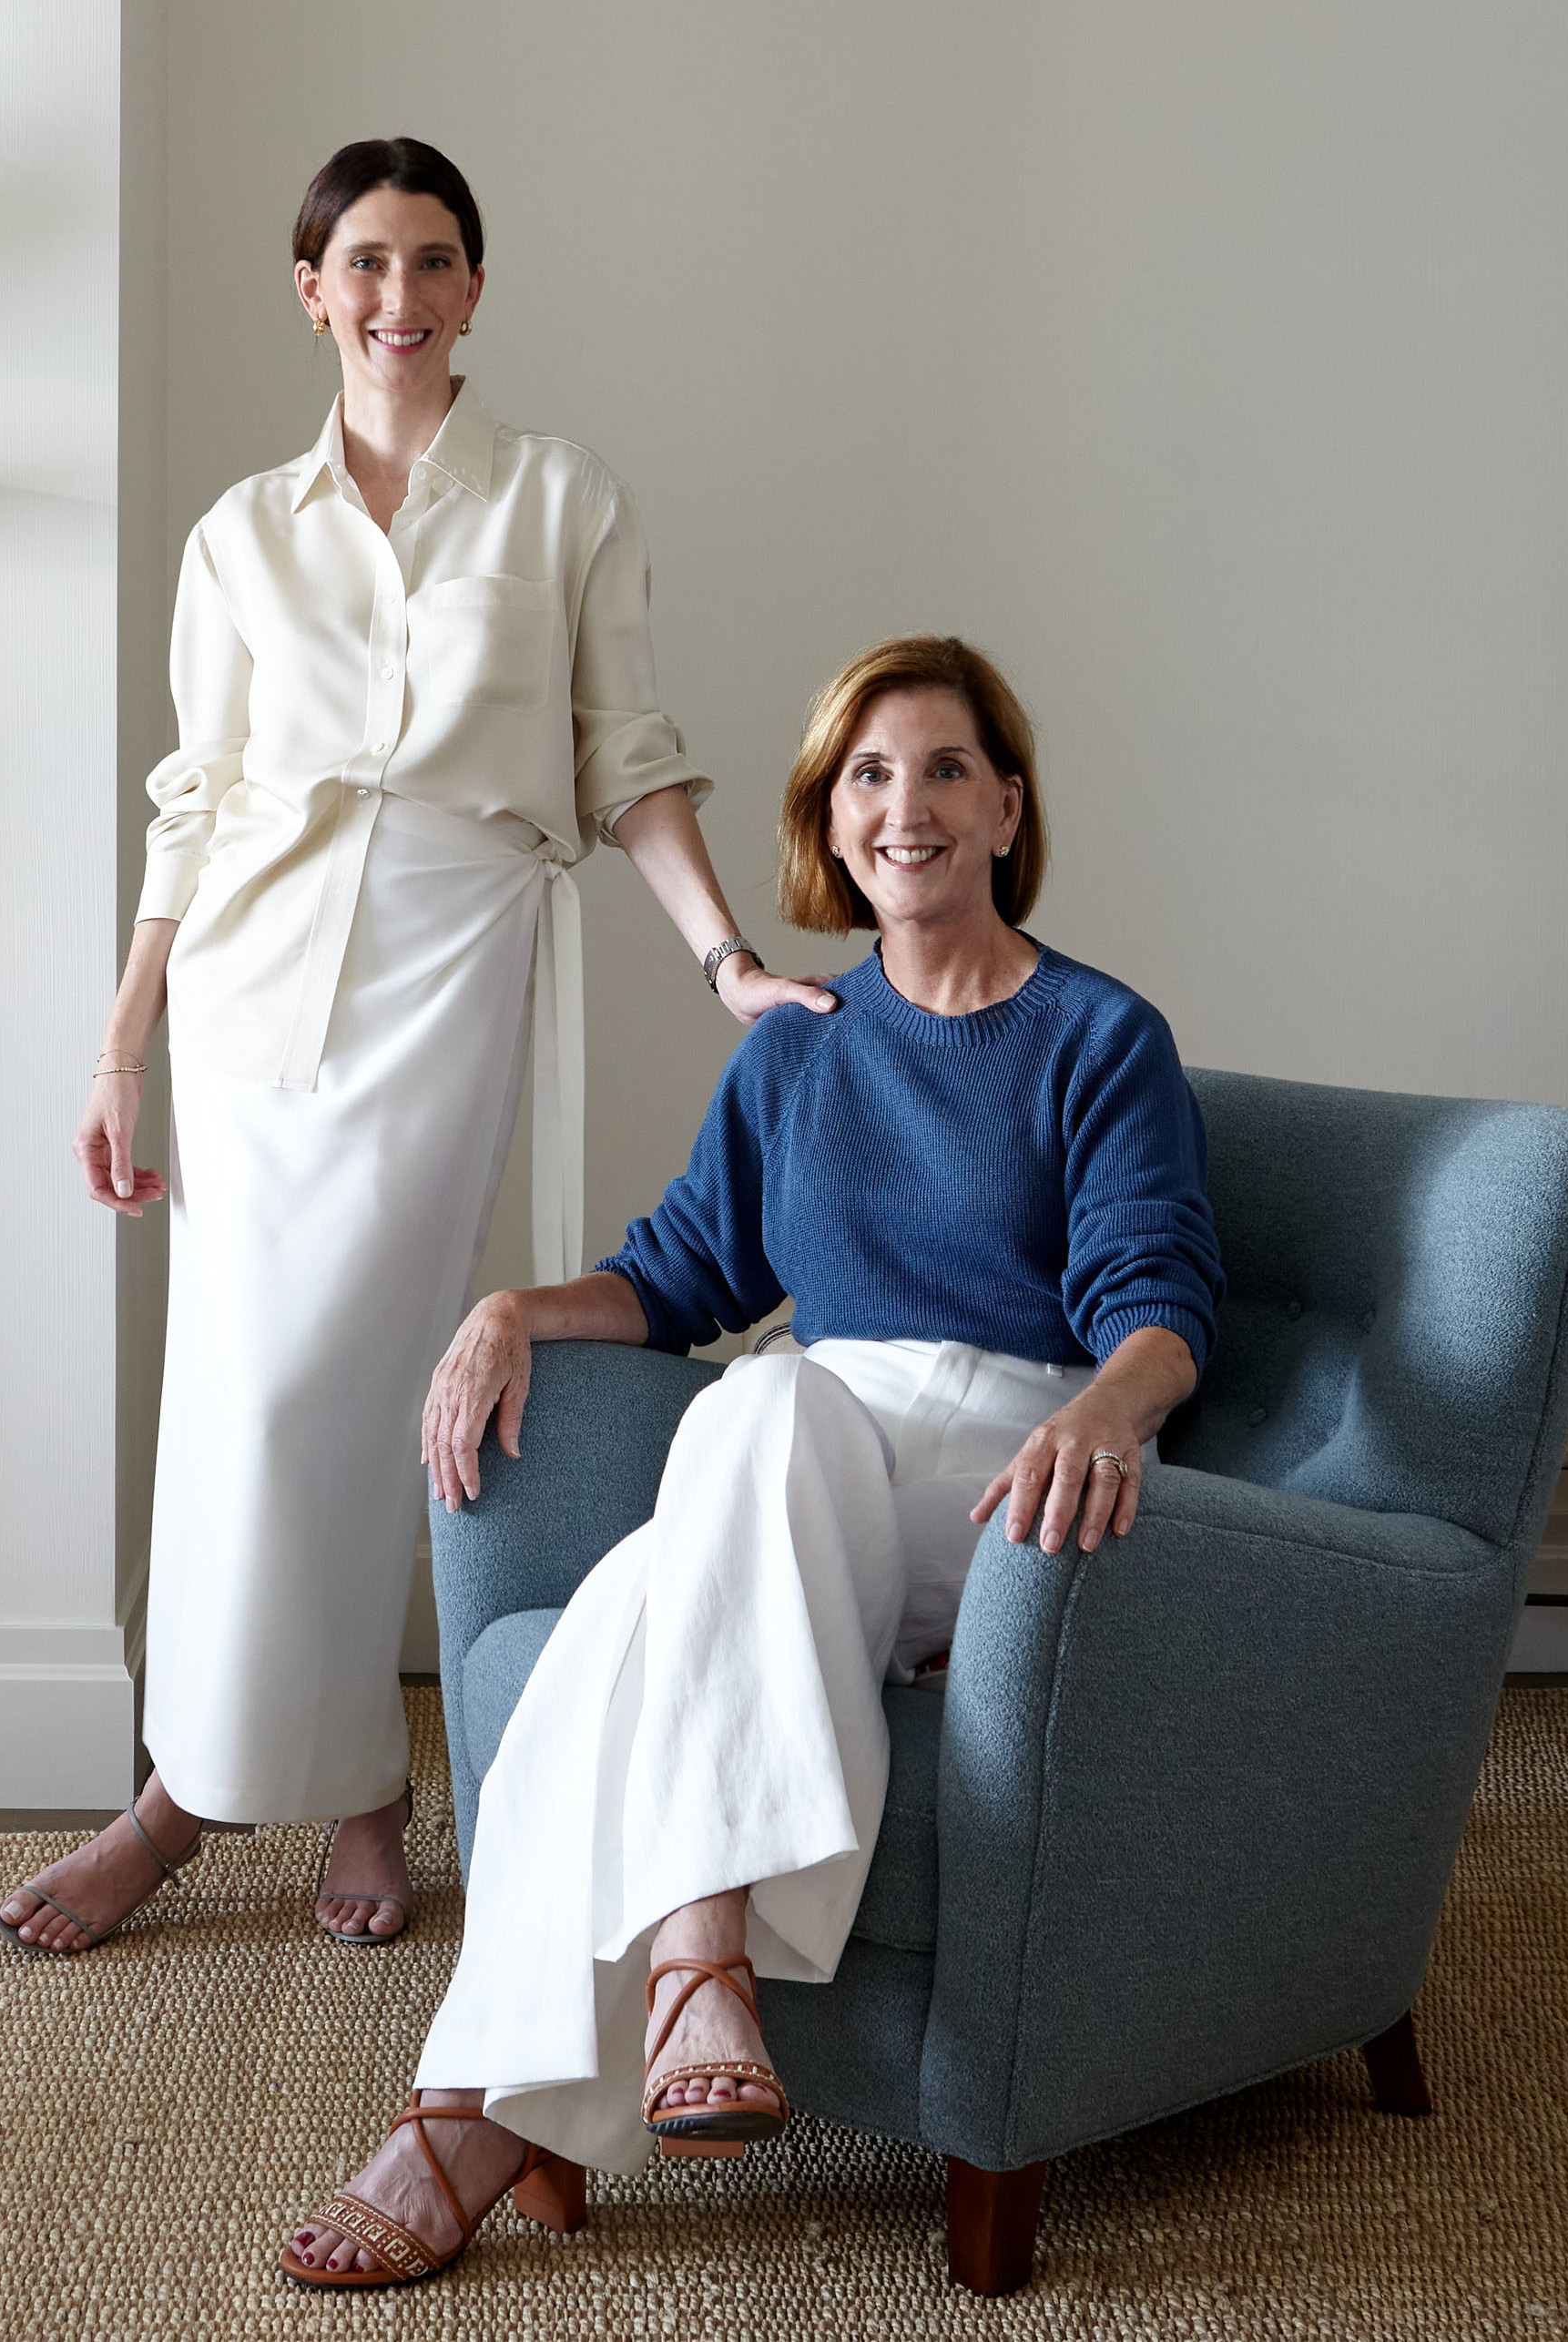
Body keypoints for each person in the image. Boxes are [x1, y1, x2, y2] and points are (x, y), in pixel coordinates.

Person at [280, 635, 1224, 2286]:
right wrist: (509, 1304)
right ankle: (582, 2041)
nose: (904, 806)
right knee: (675, 1535)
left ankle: (497, 2093)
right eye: (868, 774)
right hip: (805, 1459)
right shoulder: (796, 1042)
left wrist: (1104, 1410)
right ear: (830, 815)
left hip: (1004, 1490)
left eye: (942, 770)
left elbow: (1163, 1303)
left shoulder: (1099, 1036)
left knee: (739, 1442)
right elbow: (678, 1279)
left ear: (1007, 807)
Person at [0, 137, 833, 1959]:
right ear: (311, 291)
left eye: (430, 260)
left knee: (357, 1376)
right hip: (244, 981)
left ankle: (232, 1789)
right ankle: (270, 1781)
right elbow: (196, 797)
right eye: (359, 262)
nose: (395, 294)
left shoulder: (557, 500)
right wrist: (119, 1040)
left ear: (471, 287)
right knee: (238, 1380)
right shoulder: (239, 531)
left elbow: (630, 754)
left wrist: (724, 963)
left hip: (450, 954)